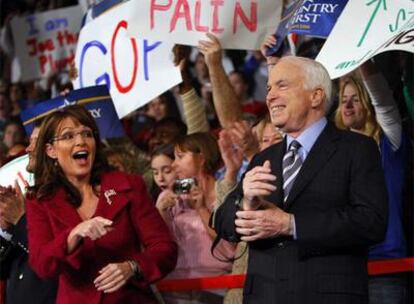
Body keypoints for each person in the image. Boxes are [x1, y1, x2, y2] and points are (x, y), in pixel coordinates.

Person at [213, 56, 388, 304]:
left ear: (316, 96)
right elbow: (222, 223)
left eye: (282, 85)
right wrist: (246, 204)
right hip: (265, 296)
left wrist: (291, 224)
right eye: (269, 88)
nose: (270, 96)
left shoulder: (357, 149)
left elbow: (372, 222)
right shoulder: (264, 158)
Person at [26, 105, 177, 304]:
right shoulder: (41, 200)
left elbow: (164, 247)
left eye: (87, 134)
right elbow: (42, 264)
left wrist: (132, 266)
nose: (81, 141)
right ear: (51, 150)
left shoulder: (128, 185)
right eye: (68, 136)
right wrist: (73, 235)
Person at [335, 62, 409, 304]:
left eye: (355, 99)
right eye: (343, 99)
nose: (347, 105)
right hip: (342, 267)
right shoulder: (331, 150)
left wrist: (363, 58)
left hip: (385, 267)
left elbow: (383, 101)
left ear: (367, 103)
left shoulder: (390, 144)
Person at [0, 124, 57, 304]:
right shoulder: (29, 196)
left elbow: (51, 259)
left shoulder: (70, 199)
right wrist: (6, 231)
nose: (28, 148)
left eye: (36, 142)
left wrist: (20, 219)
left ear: (54, 150)